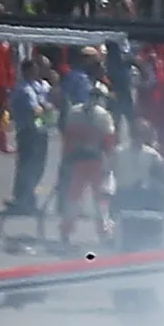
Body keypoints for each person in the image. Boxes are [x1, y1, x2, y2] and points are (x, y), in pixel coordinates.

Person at [56, 84, 117, 243]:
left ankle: (66, 230)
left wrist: (65, 160)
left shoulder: (75, 111)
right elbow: (109, 143)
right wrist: (110, 165)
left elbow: (68, 139)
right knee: (100, 200)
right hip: (96, 163)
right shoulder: (104, 116)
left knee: (73, 198)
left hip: (77, 162)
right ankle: (104, 233)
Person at [111, 119, 164, 251]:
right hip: (127, 197)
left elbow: (163, 175)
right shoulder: (121, 152)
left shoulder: (150, 154)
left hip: (139, 197)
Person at [5, 53, 56, 216]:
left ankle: (27, 198)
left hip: (40, 131)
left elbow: (54, 99)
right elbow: (37, 111)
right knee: (28, 167)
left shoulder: (41, 86)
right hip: (29, 132)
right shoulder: (24, 89)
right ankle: (22, 199)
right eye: (34, 70)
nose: (38, 72)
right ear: (26, 72)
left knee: (38, 167)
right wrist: (47, 108)